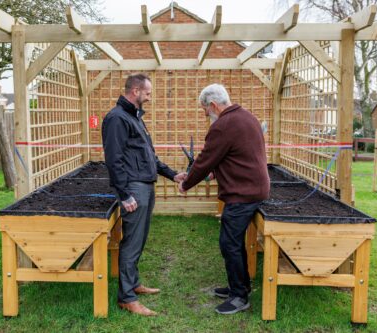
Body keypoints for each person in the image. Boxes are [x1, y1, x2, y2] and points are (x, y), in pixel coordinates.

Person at [178, 83, 270, 315]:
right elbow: (236, 155)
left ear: (213, 105)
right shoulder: (247, 116)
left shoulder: (223, 125)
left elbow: (206, 159)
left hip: (243, 193)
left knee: (229, 244)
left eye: (204, 110)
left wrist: (186, 183)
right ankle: (239, 286)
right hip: (255, 188)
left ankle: (240, 296)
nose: (204, 115)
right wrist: (214, 172)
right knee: (234, 241)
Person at [102, 73, 186, 316]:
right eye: (147, 93)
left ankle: (134, 284)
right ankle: (126, 297)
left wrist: (172, 174)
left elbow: (148, 156)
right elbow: (114, 159)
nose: (150, 98)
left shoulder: (134, 118)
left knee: (138, 239)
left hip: (145, 186)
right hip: (134, 188)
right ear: (135, 91)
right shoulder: (117, 119)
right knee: (131, 241)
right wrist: (125, 194)